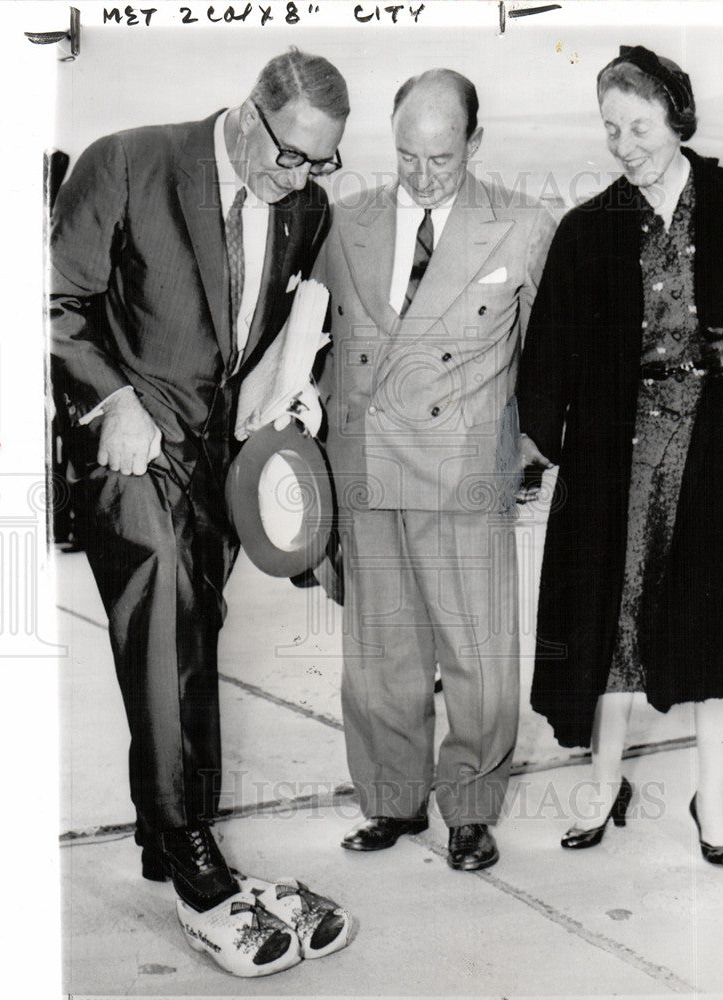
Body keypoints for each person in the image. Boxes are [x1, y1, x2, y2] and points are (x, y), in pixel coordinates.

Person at [50, 48, 350, 963]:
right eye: (288, 154)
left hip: (217, 464)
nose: (297, 177)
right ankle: (192, 855)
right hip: (130, 448)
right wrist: (114, 401)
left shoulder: (304, 208)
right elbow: (52, 301)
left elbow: (282, 336)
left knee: (191, 639)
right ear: (249, 112)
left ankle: (162, 833)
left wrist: (298, 395)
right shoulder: (130, 160)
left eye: (318, 162)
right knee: (165, 620)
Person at [516, 45, 723, 866]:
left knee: (717, 628)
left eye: (639, 125)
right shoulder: (588, 228)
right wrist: (541, 437)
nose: (623, 144)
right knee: (614, 624)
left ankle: (713, 802)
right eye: (610, 128)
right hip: (617, 459)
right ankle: (601, 783)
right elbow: (547, 351)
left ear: (678, 120)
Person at [314, 69, 556, 872]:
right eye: (407, 158)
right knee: (381, 651)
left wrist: (534, 442)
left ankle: (471, 807)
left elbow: (554, 354)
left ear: (474, 144)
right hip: (364, 460)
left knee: (475, 653)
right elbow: (312, 346)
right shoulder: (343, 222)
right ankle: (391, 799)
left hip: (463, 467)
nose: (421, 177)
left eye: (440, 160)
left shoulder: (521, 226)